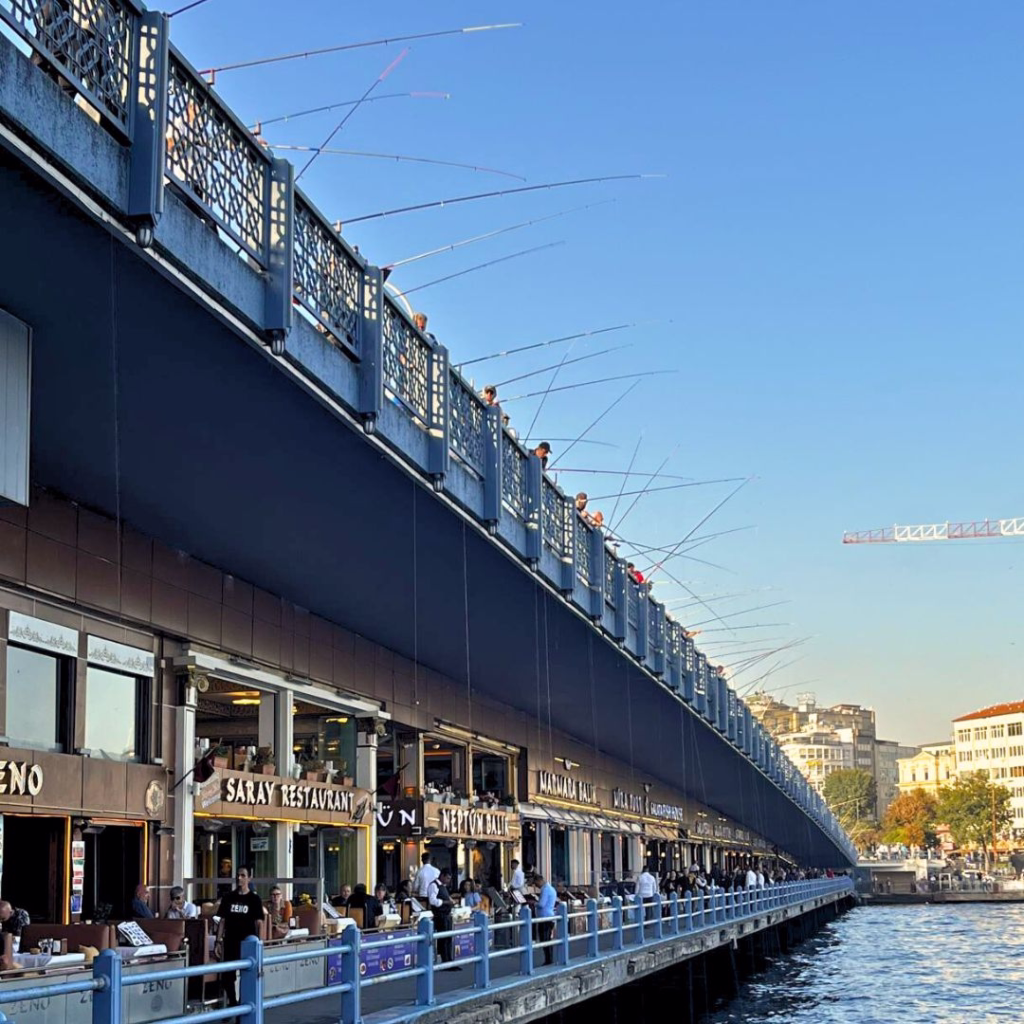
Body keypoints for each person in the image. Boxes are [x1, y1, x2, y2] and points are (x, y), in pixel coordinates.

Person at [214, 866, 265, 1012]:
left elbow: (259, 922)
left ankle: (243, 1007)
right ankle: (233, 1004)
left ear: (249, 878)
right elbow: (222, 920)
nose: (239, 878)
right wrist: (218, 941)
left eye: (243, 875)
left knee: (247, 976)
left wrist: (259, 944)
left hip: (248, 943)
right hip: (230, 941)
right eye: (237, 875)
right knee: (227, 977)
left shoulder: (254, 899)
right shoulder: (228, 897)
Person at [428, 868, 458, 968]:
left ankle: (449, 960)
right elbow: (433, 901)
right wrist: (446, 902)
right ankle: (445, 961)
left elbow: (447, 897)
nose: (448, 881)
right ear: (442, 876)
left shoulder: (443, 887)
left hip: (447, 915)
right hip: (440, 915)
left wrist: (451, 902)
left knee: (448, 938)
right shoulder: (434, 885)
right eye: (448, 878)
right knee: (444, 939)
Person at [534, 874, 557, 966]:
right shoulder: (551, 888)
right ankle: (549, 958)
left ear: (539, 881)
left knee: (545, 939)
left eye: (536, 884)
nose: (536, 886)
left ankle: (548, 959)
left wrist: (534, 903)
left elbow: (541, 904)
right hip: (549, 916)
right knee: (548, 938)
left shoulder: (545, 889)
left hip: (545, 917)